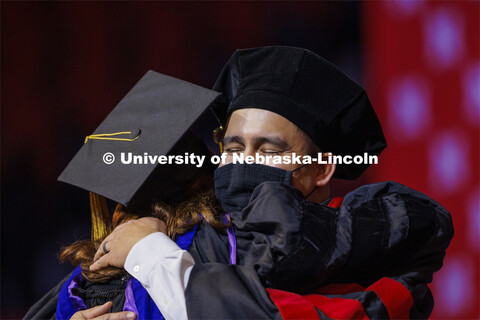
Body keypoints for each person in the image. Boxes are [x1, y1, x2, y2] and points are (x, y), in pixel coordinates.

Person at [85, 46, 454, 319]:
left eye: (268, 151)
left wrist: (149, 252)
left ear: (322, 168)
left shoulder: (371, 242)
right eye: (233, 148)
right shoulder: (197, 238)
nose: (244, 163)